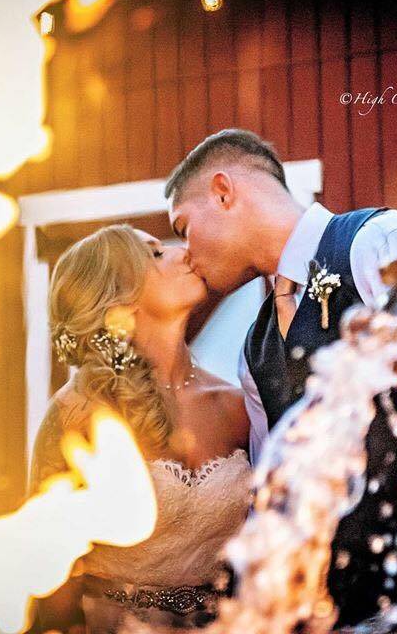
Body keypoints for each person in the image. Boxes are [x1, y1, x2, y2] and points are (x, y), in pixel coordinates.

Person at [165, 128, 397, 623]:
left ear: (223, 191)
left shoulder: (382, 245)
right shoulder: (253, 351)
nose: (187, 253)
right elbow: (274, 501)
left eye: (183, 228)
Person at [27, 225, 252, 633]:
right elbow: (45, 568)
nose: (183, 252)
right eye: (154, 254)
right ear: (118, 299)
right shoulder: (77, 415)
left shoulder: (237, 406)